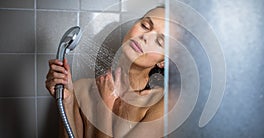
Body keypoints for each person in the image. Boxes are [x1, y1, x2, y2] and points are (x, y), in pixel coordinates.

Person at [46, 6, 174, 138]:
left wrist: (104, 108)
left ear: (163, 61)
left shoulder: (161, 104)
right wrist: (66, 101)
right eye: (145, 26)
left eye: (159, 41)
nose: (145, 37)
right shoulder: (81, 89)